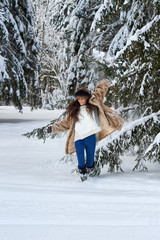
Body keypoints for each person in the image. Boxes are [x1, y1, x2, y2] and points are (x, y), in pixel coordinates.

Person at [47, 79, 123, 181]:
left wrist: (105, 83)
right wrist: (53, 128)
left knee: (90, 161)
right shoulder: (74, 110)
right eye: (79, 99)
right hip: (78, 137)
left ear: (87, 98)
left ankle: (90, 168)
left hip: (91, 136)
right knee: (81, 161)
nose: (81, 101)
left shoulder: (94, 104)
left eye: (83, 99)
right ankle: (83, 176)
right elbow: (66, 123)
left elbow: (100, 91)